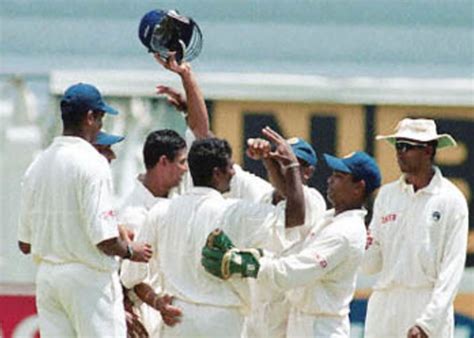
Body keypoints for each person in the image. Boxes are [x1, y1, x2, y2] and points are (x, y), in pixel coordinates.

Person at [122, 127, 306, 338]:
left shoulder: (160, 211)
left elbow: (130, 276)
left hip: (177, 321)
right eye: (229, 168)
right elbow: (296, 216)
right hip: (223, 323)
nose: (233, 173)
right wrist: (289, 165)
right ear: (217, 173)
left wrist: (157, 302)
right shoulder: (235, 212)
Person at [17, 83, 153, 337]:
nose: (101, 125)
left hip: (48, 278)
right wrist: (130, 251)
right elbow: (104, 239)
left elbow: (25, 244)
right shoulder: (92, 162)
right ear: (90, 117)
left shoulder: (38, 164)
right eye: (100, 118)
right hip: (88, 279)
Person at [202, 151, 382, 338]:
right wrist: (252, 255)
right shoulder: (330, 220)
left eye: (339, 177)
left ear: (358, 188)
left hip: (322, 327)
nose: (330, 180)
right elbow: (292, 255)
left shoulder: (345, 231)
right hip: (303, 322)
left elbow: (295, 271)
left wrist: (247, 265)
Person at [362, 118, 469, 338]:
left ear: (428, 150)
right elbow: (370, 264)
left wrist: (427, 323)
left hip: (425, 303)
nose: (399, 152)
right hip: (385, 304)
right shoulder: (387, 195)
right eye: (397, 146)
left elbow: (452, 270)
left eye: (407, 147)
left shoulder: (451, 200)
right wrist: (358, 240)